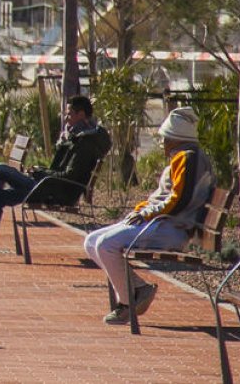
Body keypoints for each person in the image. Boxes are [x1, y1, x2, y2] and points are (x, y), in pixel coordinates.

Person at [83, 107, 215, 324]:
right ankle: (139, 290)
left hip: (171, 227)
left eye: (164, 139)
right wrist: (142, 210)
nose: (162, 143)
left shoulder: (188, 157)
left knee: (105, 245)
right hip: (161, 222)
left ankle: (127, 303)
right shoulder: (183, 156)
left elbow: (179, 199)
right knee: (91, 241)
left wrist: (147, 213)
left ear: (175, 138)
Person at [0, 95, 112, 262]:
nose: (66, 117)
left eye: (70, 114)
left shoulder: (85, 144)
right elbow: (62, 172)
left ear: (81, 114)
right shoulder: (79, 137)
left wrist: (41, 173)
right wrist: (42, 172)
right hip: (48, 187)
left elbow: (69, 176)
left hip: (54, 191)